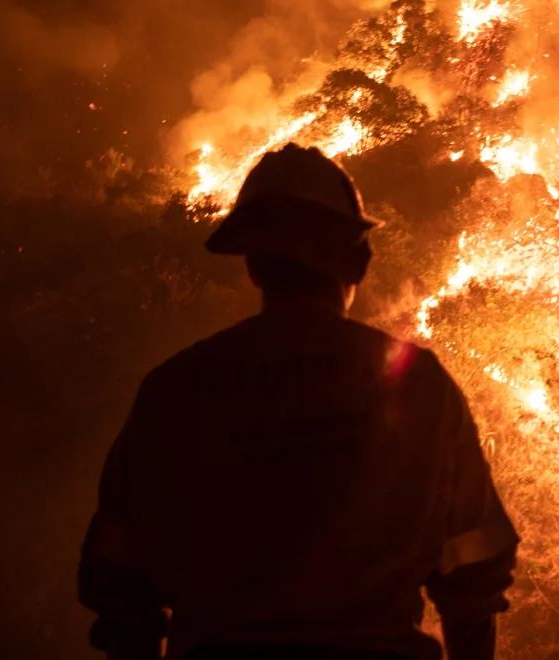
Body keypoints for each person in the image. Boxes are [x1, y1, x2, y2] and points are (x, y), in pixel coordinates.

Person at [78, 144, 519, 660]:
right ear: (359, 259)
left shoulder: (176, 391)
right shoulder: (419, 386)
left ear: (252, 267)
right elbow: (474, 579)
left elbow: (120, 590)